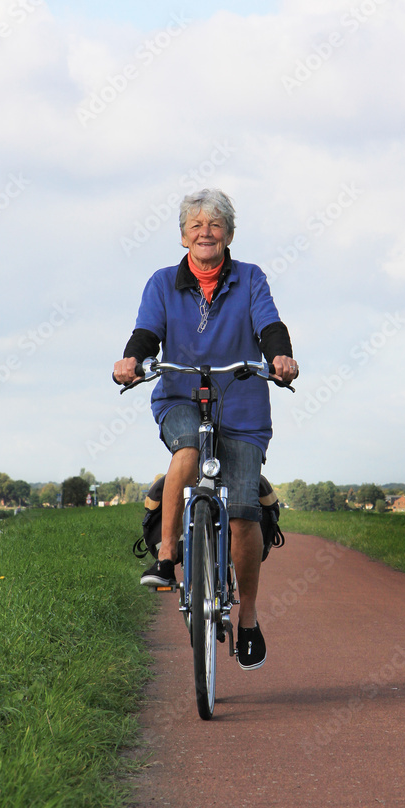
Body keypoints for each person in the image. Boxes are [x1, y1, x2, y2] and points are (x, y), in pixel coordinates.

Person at [113, 189, 298, 669]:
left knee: (241, 513)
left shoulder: (251, 278)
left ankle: (249, 618)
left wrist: (279, 355)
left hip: (242, 405)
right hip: (180, 397)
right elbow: (147, 332)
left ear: (229, 235)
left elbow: (270, 325)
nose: (205, 232)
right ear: (182, 238)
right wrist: (133, 360)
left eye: (214, 225)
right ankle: (167, 557)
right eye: (195, 225)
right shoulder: (161, 283)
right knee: (188, 454)